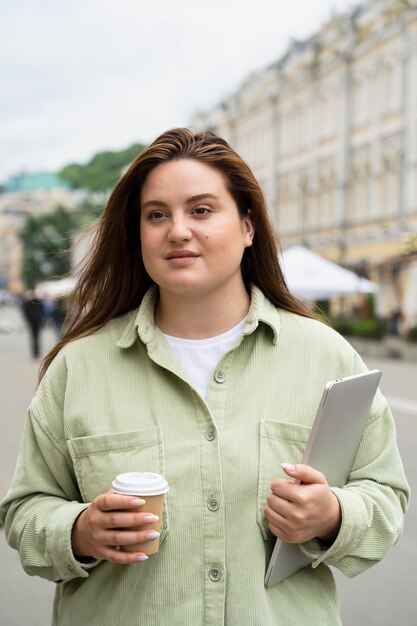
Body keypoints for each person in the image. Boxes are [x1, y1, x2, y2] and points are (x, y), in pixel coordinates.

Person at [0, 128, 409, 626]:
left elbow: (385, 497)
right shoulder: (78, 367)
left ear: (248, 227)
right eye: (156, 215)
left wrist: (333, 516)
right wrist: (79, 530)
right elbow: (25, 511)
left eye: (201, 210)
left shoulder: (327, 356)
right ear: (138, 235)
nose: (177, 231)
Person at [20, 290, 44, 358]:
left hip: (34, 322)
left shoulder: (29, 303)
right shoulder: (36, 302)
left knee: (34, 337)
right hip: (36, 322)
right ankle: (36, 352)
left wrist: (29, 320)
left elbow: (25, 312)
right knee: (36, 337)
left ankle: (35, 352)